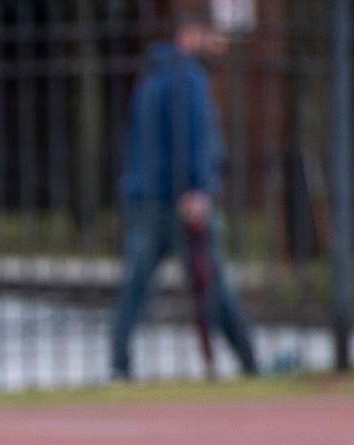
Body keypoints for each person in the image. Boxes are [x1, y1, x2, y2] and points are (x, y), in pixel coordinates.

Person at [109, 11, 260, 380]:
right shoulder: (188, 78)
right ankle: (249, 360)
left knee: (135, 288)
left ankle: (118, 362)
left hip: (145, 198)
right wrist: (197, 189)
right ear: (192, 35)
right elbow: (191, 140)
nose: (221, 47)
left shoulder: (151, 76)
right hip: (180, 202)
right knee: (213, 285)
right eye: (215, 38)